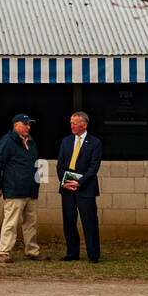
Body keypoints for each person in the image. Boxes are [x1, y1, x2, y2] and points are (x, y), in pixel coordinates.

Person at [0, 113, 41, 263]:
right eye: (25, 124)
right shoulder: (7, 142)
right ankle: (4, 252)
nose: (28, 127)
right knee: (10, 223)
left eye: (29, 124)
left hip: (31, 189)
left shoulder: (31, 142)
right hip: (15, 190)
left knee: (31, 223)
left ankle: (32, 251)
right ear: (16, 125)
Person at [57, 111, 103, 262]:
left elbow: (94, 166)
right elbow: (60, 165)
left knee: (89, 222)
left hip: (86, 188)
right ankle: (72, 253)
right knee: (69, 221)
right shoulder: (66, 141)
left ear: (84, 125)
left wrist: (80, 182)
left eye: (75, 123)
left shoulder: (95, 143)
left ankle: (93, 255)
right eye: (70, 123)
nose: (72, 126)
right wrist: (63, 181)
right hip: (67, 188)